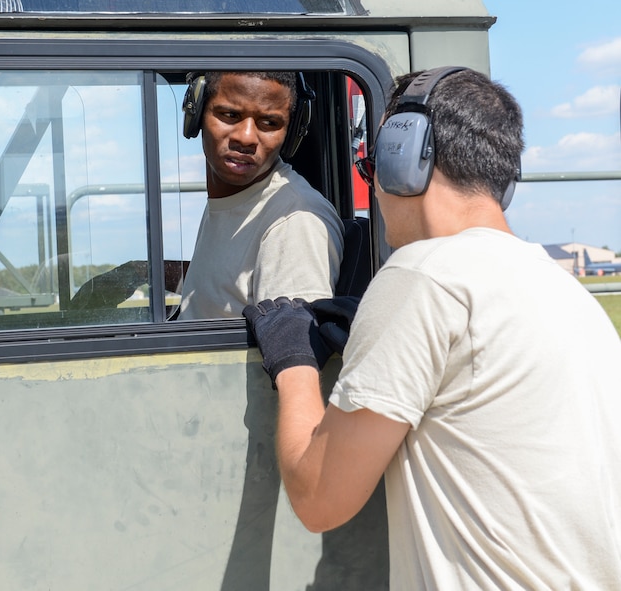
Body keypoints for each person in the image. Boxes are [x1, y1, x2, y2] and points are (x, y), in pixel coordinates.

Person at [243, 67, 621, 589]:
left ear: (403, 157)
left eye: (372, 161)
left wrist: (293, 358)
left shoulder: (422, 275)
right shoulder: (572, 298)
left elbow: (317, 498)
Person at [176, 71, 344, 320]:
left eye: (269, 123)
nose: (245, 137)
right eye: (230, 115)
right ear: (196, 114)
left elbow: (293, 349)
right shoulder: (234, 201)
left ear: (291, 132)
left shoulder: (293, 220)